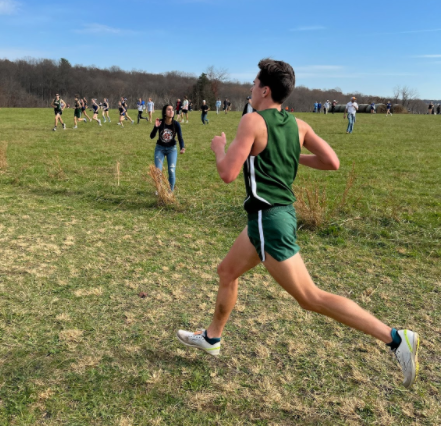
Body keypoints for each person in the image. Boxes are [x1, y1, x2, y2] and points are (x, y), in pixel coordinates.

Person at [176, 58, 420, 390]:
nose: (250, 88)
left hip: (268, 221)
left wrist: (219, 148)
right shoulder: (299, 125)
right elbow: (331, 161)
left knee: (309, 297)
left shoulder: (251, 122)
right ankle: (212, 338)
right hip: (275, 216)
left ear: (264, 90)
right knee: (227, 272)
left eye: (252, 83)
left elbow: (227, 173)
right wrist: (289, 155)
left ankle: (395, 338)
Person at [150, 104, 185, 191]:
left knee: (171, 171)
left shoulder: (176, 124)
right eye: (169, 110)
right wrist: (155, 127)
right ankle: (159, 190)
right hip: (160, 149)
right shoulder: (160, 122)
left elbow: (180, 137)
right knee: (158, 172)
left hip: (172, 150)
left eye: (172, 110)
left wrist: (182, 147)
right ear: (165, 112)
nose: (171, 111)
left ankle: (170, 192)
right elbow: (152, 136)